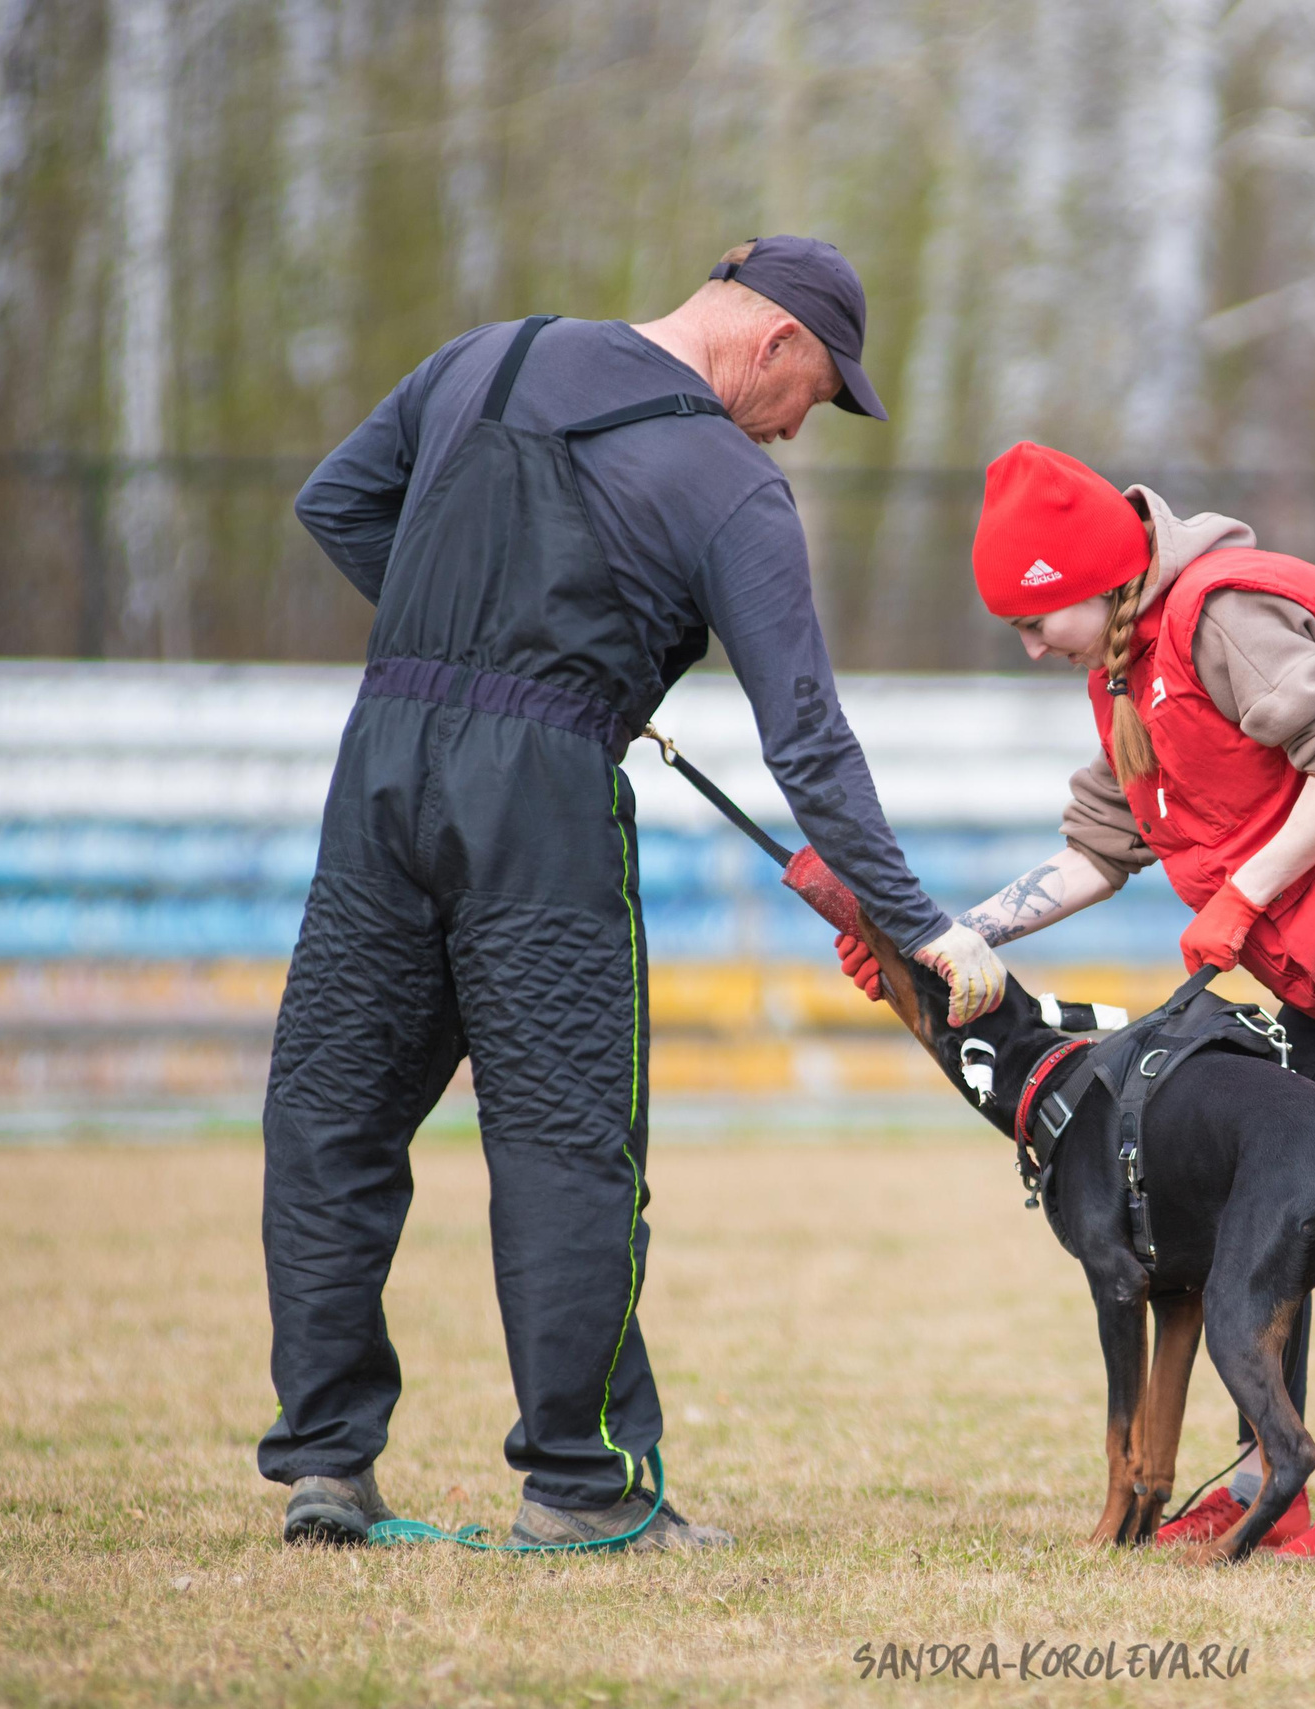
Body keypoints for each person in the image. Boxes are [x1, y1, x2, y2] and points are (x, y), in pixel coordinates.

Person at [262, 237, 1007, 1553]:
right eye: (815, 397)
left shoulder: (484, 355)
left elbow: (337, 503)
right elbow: (810, 743)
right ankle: (580, 1486)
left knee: (331, 1115)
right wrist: (921, 924)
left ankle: (327, 1463)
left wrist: (464, 646)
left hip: (381, 760)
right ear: (772, 343)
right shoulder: (730, 488)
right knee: (565, 1144)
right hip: (540, 800)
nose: (798, 430)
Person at [837, 442, 1315, 1560]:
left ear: (1095, 575)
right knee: (1273, 1183)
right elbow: (1093, 852)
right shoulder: (1124, 669)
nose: (1030, 645)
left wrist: (1242, 898)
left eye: (1037, 617)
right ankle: (1274, 1470)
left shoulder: (1221, 613)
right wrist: (948, 941)